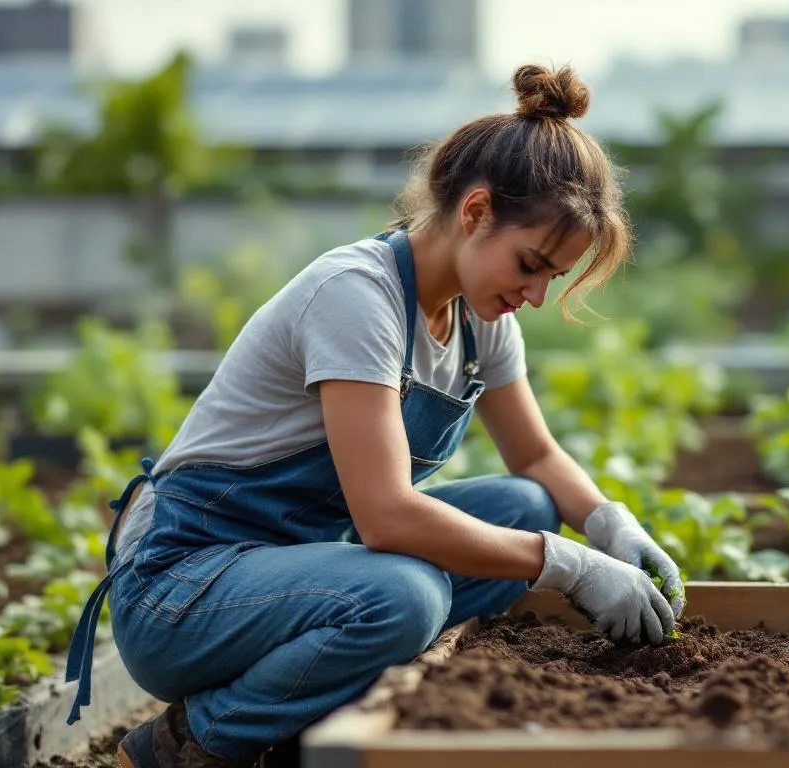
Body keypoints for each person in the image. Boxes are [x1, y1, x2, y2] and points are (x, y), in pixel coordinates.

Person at [62, 63, 687, 768]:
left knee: (527, 506)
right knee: (405, 598)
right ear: (475, 212)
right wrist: (568, 566)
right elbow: (386, 517)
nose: (537, 294)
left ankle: (315, 697)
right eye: (530, 264)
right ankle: (191, 741)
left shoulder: (480, 322)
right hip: (184, 590)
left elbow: (536, 457)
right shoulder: (356, 296)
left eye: (553, 276)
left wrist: (610, 525)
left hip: (299, 563)